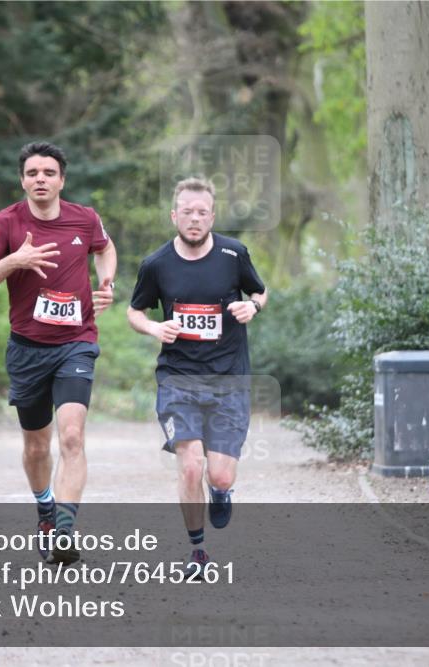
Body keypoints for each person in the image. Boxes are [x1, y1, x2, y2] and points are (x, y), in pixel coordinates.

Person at [0, 141, 116, 566]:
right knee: (37, 447)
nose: (41, 179)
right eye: (32, 173)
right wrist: (15, 260)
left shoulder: (85, 218)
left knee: (71, 436)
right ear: (23, 181)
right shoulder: (6, 222)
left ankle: (65, 531)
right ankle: (45, 510)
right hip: (28, 349)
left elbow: (104, 248)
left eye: (49, 173)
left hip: (76, 343)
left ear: (62, 180)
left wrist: (107, 282)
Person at [127, 176, 267, 572]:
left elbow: (259, 291)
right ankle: (198, 551)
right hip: (178, 379)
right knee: (190, 465)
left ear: (212, 217)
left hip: (229, 380)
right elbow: (135, 311)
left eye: (202, 212)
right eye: (187, 212)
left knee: (219, 476)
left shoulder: (233, 254)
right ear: (174, 216)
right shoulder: (156, 264)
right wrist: (154, 328)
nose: (194, 218)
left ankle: (221, 492)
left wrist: (253, 307)